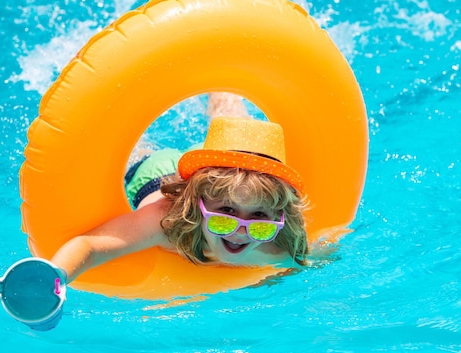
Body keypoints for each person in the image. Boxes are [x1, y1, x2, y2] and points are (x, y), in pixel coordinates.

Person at [51, 92, 309, 283]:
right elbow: (91, 246)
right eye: (225, 215)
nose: (240, 232)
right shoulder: (167, 222)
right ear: (198, 205)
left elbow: (313, 262)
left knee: (240, 131)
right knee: (126, 146)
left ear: (279, 218)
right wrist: (54, 278)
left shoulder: (280, 245)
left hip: (222, 169)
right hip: (157, 172)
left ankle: (225, 85)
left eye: (260, 219)